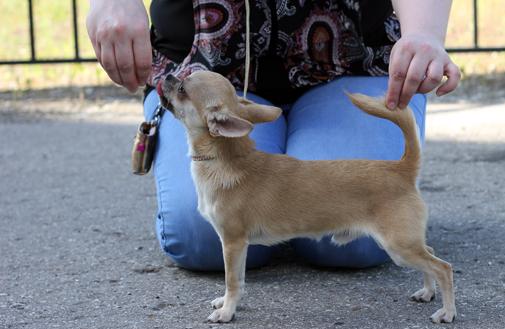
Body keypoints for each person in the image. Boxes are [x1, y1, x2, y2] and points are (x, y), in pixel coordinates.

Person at [86, 0, 460, 271]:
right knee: (202, 235)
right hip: (204, 78)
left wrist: (423, 32)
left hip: (352, 63)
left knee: (354, 243)